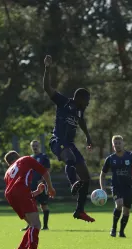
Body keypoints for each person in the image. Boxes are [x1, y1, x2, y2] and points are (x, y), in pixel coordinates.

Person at [43, 54, 94, 223]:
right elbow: (47, 88)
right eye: (86, 101)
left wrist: (88, 137)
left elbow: (81, 121)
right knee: (69, 159)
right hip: (57, 140)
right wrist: (47, 68)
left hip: (70, 144)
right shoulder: (64, 102)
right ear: (79, 98)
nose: (87, 104)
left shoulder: (80, 110)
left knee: (86, 178)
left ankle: (79, 210)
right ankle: (73, 183)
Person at [4, 150, 56, 249]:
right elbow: (45, 172)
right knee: (36, 224)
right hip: (20, 192)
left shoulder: (8, 172)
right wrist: (50, 188)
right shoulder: (25, 159)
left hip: (10, 196)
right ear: (18, 156)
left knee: (32, 225)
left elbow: (16, 189)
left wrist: (37, 192)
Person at [99, 135, 132, 238]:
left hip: (127, 187)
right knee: (119, 204)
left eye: (119, 143)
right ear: (113, 145)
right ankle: (113, 228)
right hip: (116, 186)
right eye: (115, 144)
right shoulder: (110, 159)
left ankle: (122, 231)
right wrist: (103, 188)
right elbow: (102, 175)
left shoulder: (130, 156)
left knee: (126, 211)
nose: (117, 145)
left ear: (123, 144)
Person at [22, 140, 52, 231]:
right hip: (31, 185)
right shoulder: (30, 158)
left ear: (39, 146)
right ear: (31, 147)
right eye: (33, 146)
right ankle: (30, 225)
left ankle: (45, 226)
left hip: (42, 185)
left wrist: (42, 180)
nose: (34, 147)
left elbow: (48, 170)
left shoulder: (43, 157)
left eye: (36, 145)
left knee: (43, 205)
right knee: (29, 205)